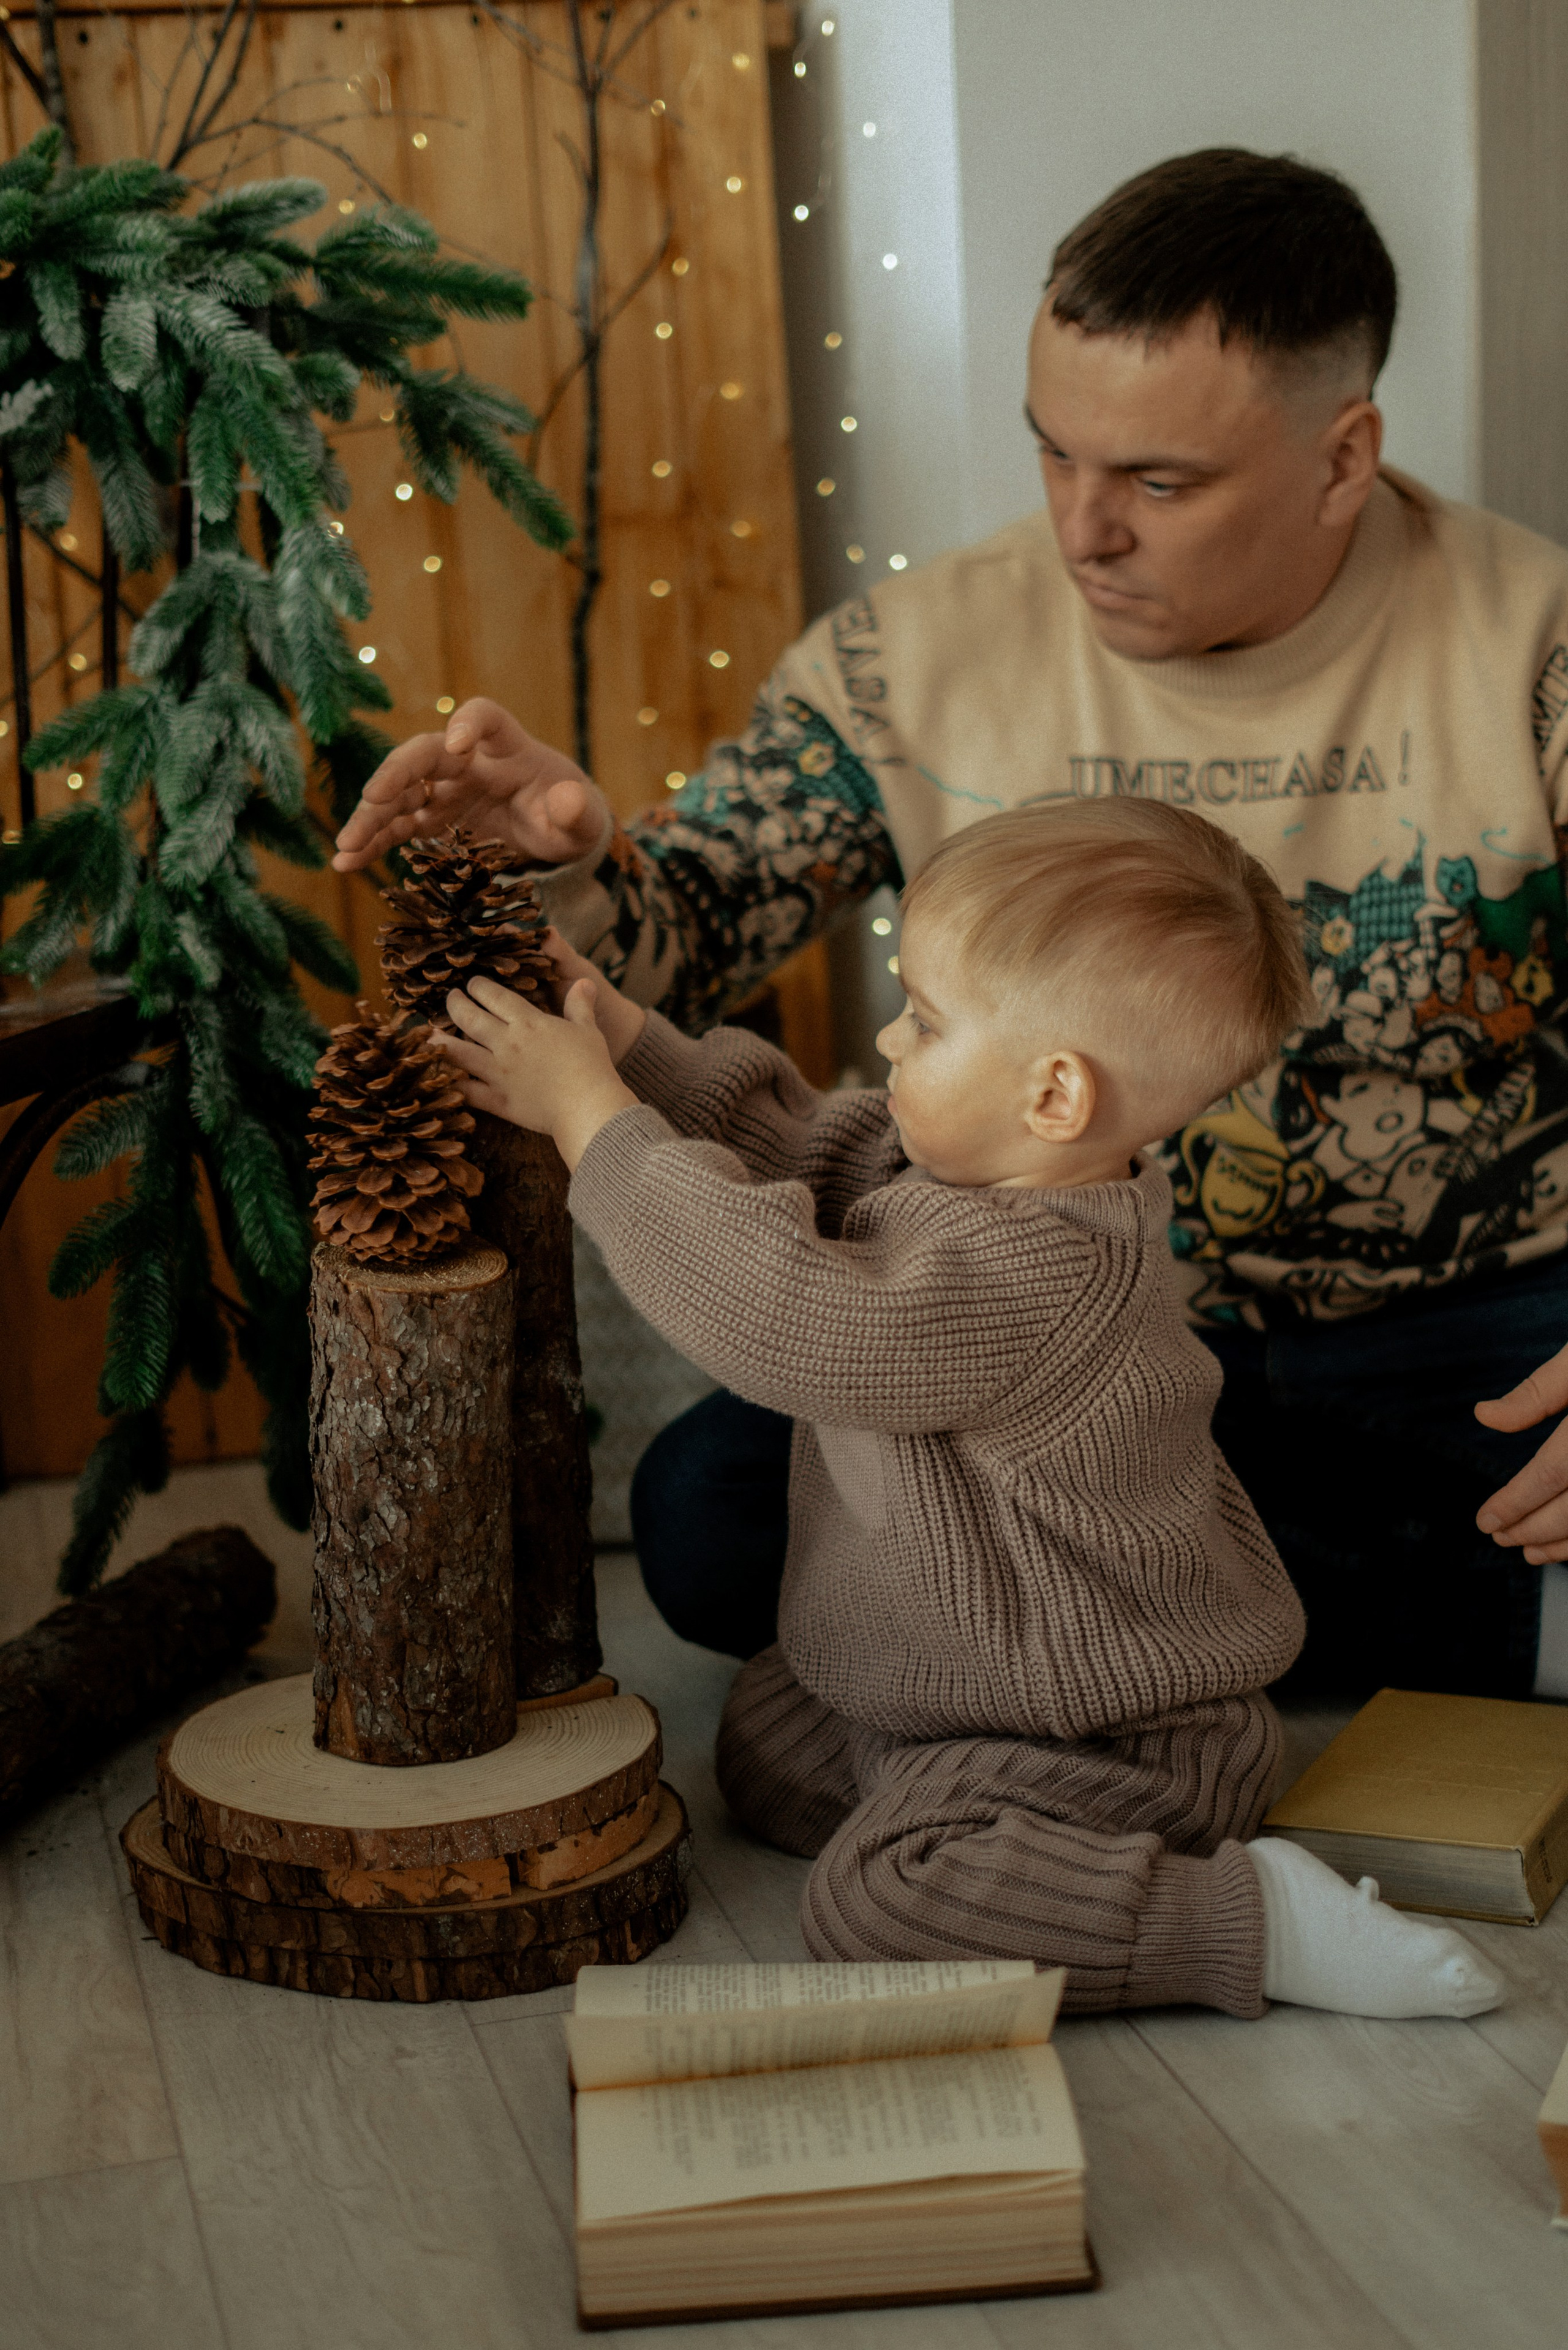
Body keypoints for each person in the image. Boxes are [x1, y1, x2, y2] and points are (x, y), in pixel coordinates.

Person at [333, 146, 1568, 1703]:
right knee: (707, 1518)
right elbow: (676, 946)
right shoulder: (912, 655)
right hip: (1014, 1324)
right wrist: (560, 864)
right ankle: (1406, 1623)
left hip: (1460, 1333)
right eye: (1054, 453)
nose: (1081, 528)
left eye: (1157, 483)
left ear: (1341, 456)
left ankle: (1121, 1629)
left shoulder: (1536, 647)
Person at [437, 797, 1500, 2021]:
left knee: (875, 1900)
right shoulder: (955, 1163)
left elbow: (781, 1308)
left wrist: (592, 1121)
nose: (889, 1041)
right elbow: (789, 1140)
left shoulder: (1032, 1277)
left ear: (1051, 1097)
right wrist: (625, 1042)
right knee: (765, 1742)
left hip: (1100, 1734)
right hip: (954, 1683)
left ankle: (1247, 1919)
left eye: (927, 1023)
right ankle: (967, 1808)